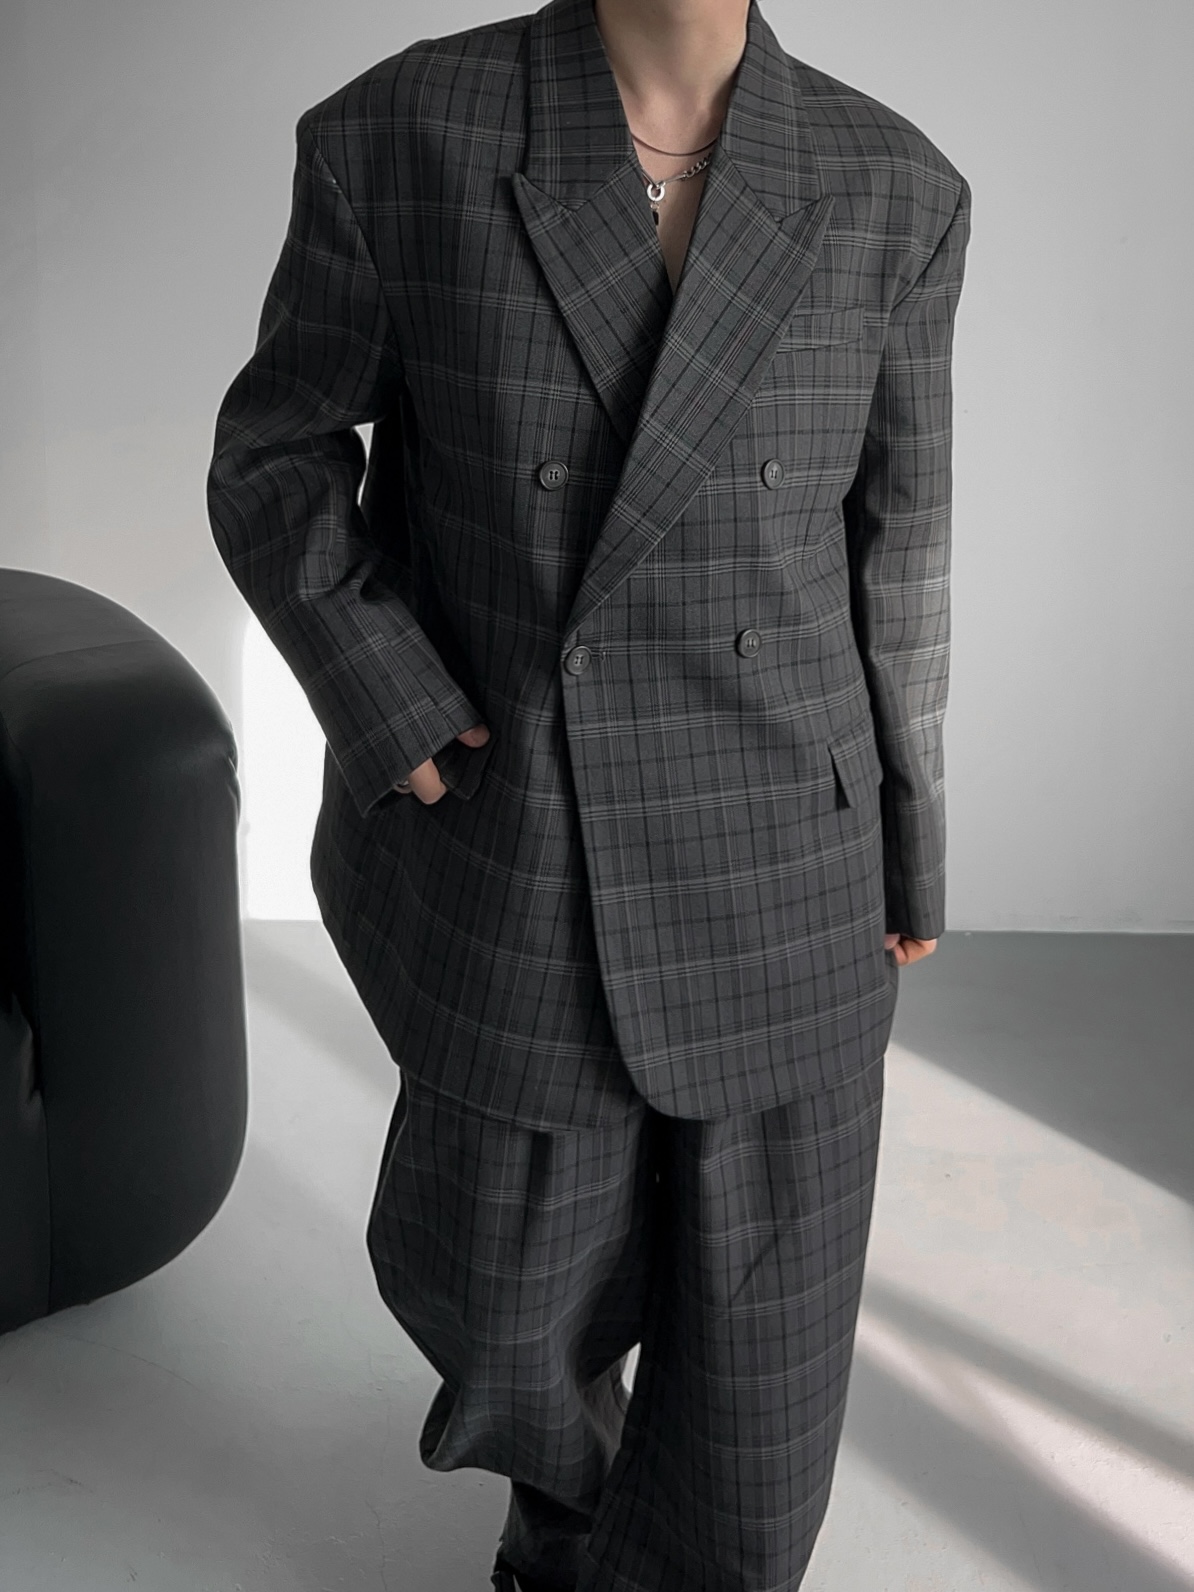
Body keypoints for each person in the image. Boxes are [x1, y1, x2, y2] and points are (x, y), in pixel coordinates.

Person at [207, 0, 970, 1585]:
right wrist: (388, 697)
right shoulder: (402, 133)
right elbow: (278, 450)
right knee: (498, 1294)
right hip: (520, 820)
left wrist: (908, 836)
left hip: (784, 836)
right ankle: (570, 1518)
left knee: (760, 1350)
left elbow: (899, 544)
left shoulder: (893, 184)